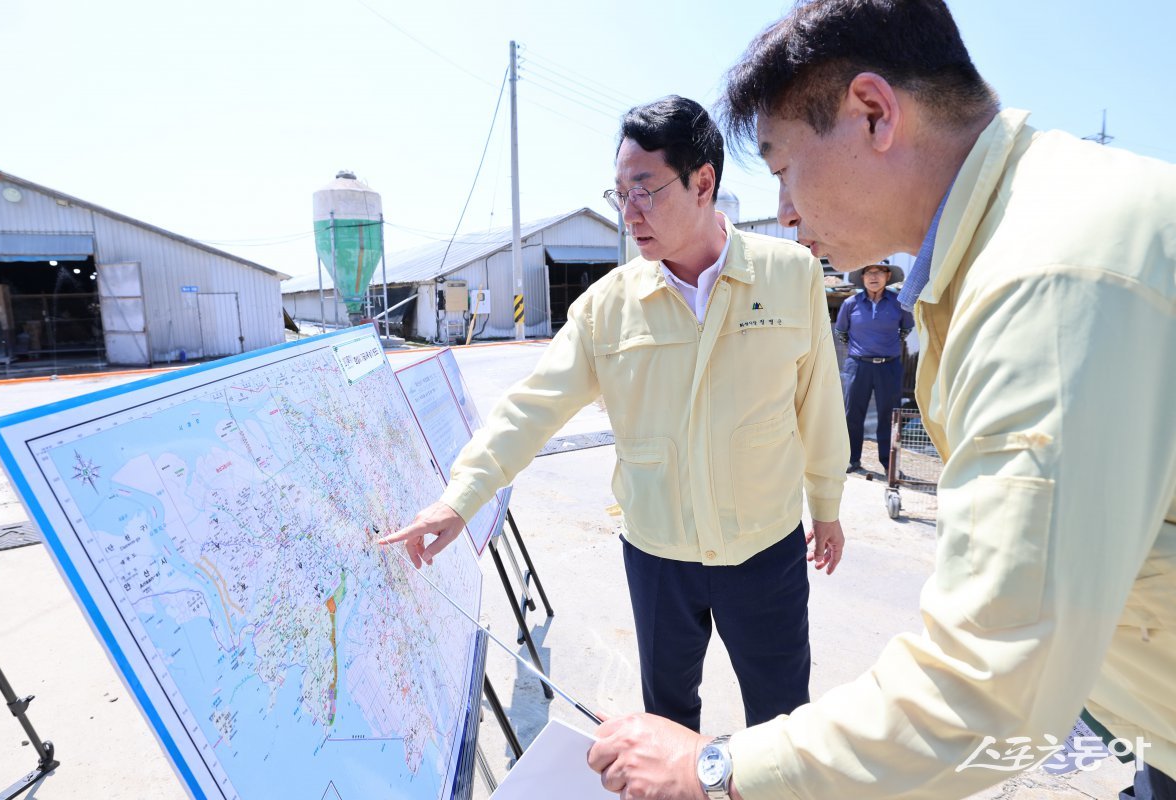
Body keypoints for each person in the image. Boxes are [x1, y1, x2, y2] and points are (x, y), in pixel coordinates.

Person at [588, 1, 1176, 798]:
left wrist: (714, 765)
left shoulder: (1046, 281)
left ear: (873, 113)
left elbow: (990, 685)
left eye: (785, 166)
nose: (786, 211)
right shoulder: (1025, 226)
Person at [383, 95, 849, 733]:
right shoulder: (609, 307)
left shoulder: (791, 275)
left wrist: (826, 505)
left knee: (781, 719)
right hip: (658, 558)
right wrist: (461, 498)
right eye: (619, 195)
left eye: (645, 190)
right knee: (668, 720)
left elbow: (818, 401)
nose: (629, 215)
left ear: (703, 182)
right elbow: (532, 406)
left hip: (765, 551)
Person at [834, 262, 914, 473]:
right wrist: (862, 350)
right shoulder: (851, 303)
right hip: (858, 366)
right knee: (853, 413)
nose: (873, 276)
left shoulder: (898, 303)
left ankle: (889, 464)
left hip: (889, 367)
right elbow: (841, 332)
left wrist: (885, 347)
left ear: (888, 276)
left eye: (879, 272)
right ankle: (851, 459)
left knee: (889, 415)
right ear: (862, 277)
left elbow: (906, 328)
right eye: (868, 272)